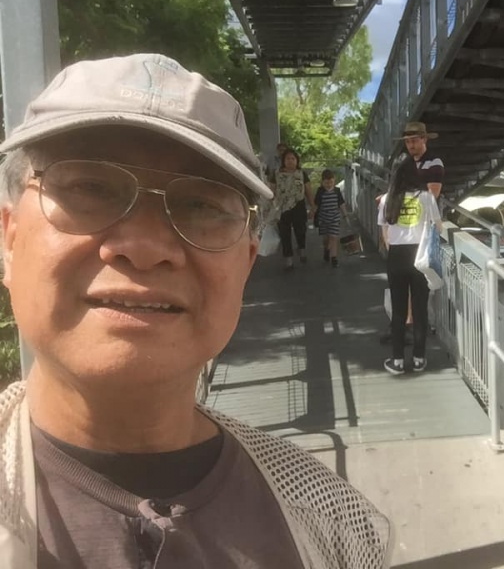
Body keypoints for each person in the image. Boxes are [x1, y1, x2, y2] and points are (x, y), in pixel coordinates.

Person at [0, 53, 392, 569]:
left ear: (246, 263)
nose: (144, 246)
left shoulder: (337, 527)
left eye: (202, 205)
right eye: (90, 187)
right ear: (9, 239)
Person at [377, 156, 442, 375]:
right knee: (420, 308)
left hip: (396, 255)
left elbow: (385, 232)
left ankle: (397, 361)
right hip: (420, 256)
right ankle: (418, 359)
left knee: (399, 310)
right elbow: (438, 227)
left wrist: (393, 249)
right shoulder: (426, 197)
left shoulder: (387, 199)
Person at [269, 147, 315, 270]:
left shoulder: (301, 174)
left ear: (297, 160)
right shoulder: (276, 174)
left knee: (301, 230)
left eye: (293, 158)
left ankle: (302, 249)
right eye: (288, 158)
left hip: (298, 205)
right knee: (285, 234)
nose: (290, 161)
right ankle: (288, 259)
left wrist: (313, 207)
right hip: (282, 207)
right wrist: (271, 206)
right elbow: (271, 190)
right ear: (283, 160)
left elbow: (308, 191)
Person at [313, 169, 347, 268]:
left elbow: (341, 203)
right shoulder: (320, 191)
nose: (329, 185)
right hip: (323, 219)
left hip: (334, 218)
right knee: (326, 239)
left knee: (334, 237)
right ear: (322, 182)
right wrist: (312, 213)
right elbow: (316, 204)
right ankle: (326, 250)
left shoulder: (337, 191)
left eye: (331, 182)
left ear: (334, 181)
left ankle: (334, 258)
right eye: (326, 183)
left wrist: (345, 215)